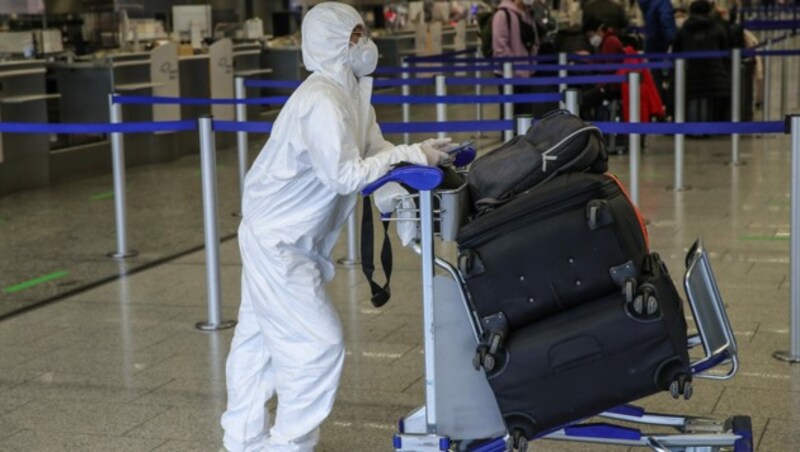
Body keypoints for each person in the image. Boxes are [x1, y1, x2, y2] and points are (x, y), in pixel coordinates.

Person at [219, 3, 451, 451]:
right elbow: (345, 175)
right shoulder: (320, 101)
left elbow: (374, 149)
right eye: (355, 35)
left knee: (259, 340)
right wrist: (413, 155)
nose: (365, 43)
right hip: (279, 241)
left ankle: (241, 440)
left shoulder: (351, 93)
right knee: (318, 345)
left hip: (290, 238)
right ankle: (287, 445)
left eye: (363, 32)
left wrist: (405, 202)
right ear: (331, 42)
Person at [673, 0, 731, 122]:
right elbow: (725, 50)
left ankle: (693, 127)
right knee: (707, 98)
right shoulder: (717, 28)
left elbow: (676, 51)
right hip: (713, 73)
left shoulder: (684, 30)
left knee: (693, 96)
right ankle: (707, 127)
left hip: (689, 71)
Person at [492, 0, 540, 117]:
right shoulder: (502, 15)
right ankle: (509, 136)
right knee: (509, 113)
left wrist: (530, 65)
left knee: (525, 113)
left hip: (526, 74)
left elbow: (535, 41)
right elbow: (500, 47)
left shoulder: (528, 14)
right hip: (508, 74)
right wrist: (516, 67)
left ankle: (524, 135)